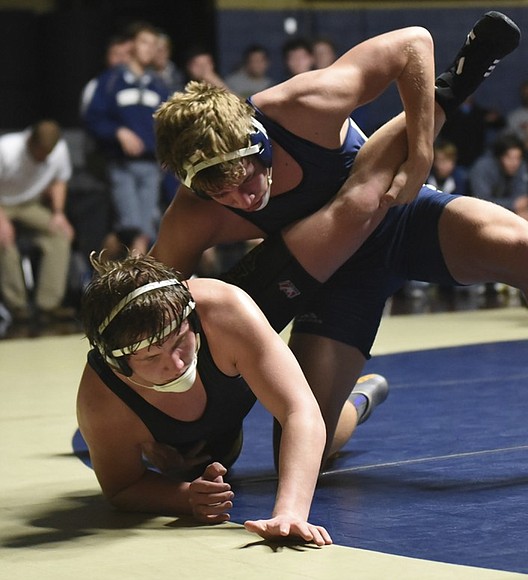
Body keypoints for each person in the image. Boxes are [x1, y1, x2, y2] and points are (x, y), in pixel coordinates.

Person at [152, 13, 528, 476]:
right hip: (334, 278)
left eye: (243, 179)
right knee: (309, 444)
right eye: (218, 193)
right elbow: (151, 307)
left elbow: (413, 42)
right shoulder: (195, 214)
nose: (241, 199)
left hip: (398, 216)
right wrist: (194, 412)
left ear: (257, 139)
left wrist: (420, 154)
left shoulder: (302, 105)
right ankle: (361, 399)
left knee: (527, 249)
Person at [76, 251, 346, 544]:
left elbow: (299, 409)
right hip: (184, 447)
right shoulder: (101, 398)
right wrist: (186, 497)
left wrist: (290, 513)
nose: (177, 364)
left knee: (316, 434)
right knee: (191, 467)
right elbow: (121, 488)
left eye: (180, 340)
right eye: (152, 357)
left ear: (192, 318)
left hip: (235, 380)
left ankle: (358, 400)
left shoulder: (224, 310)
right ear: (118, 365)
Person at [83, 21, 171, 257]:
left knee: (141, 230)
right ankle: (101, 275)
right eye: (144, 42)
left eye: (154, 44)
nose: (150, 48)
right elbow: (93, 119)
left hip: (151, 166)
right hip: (121, 165)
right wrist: (118, 132)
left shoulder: (158, 85)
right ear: (131, 45)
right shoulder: (111, 81)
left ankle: (110, 279)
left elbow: (169, 124)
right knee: (131, 228)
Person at [0, 120, 74, 323]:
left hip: (29, 203)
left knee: (61, 234)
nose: (44, 158)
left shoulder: (58, 150)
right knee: (4, 239)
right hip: (2, 203)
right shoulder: (6, 149)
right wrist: (2, 221)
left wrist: (58, 212)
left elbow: (60, 180)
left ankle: (48, 304)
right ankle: (17, 306)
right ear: (29, 143)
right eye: (40, 153)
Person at [468, 133, 528, 223]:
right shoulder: (482, 167)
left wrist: (514, 207)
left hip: (508, 212)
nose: (514, 163)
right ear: (499, 157)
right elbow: (482, 202)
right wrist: (512, 204)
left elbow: (522, 200)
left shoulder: (521, 165)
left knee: (526, 217)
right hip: (480, 214)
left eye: (517, 158)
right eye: (509, 157)